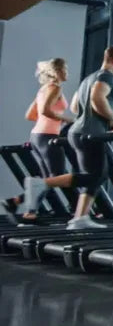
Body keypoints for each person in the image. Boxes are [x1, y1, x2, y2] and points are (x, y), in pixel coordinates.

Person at [23, 47, 113, 230]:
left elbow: (74, 106)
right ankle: (41, 184)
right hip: (89, 133)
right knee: (94, 175)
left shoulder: (89, 78)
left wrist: (94, 117)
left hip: (78, 131)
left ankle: (80, 218)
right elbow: (97, 99)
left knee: (96, 175)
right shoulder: (108, 76)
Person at [3, 59, 76, 225]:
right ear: (57, 71)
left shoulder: (43, 89)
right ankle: (78, 210)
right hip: (47, 137)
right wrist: (67, 119)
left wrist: (52, 119)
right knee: (57, 176)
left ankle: (21, 207)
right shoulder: (55, 88)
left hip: (36, 136)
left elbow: (31, 115)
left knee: (46, 178)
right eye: (65, 69)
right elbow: (44, 111)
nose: (67, 73)